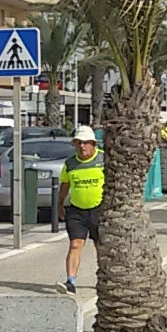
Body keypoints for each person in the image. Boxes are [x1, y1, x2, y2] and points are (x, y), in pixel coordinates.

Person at [56, 126, 104, 295]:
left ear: (93, 144)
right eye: (78, 143)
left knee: (101, 245)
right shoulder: (70, 164)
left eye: (85, 143)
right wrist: (59, 205)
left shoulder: (103, 159)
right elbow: (65, 185)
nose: (82, 147)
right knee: (75, 244)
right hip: (76, 210)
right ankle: (70, 281)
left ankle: (104, 278)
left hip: (99, 209)